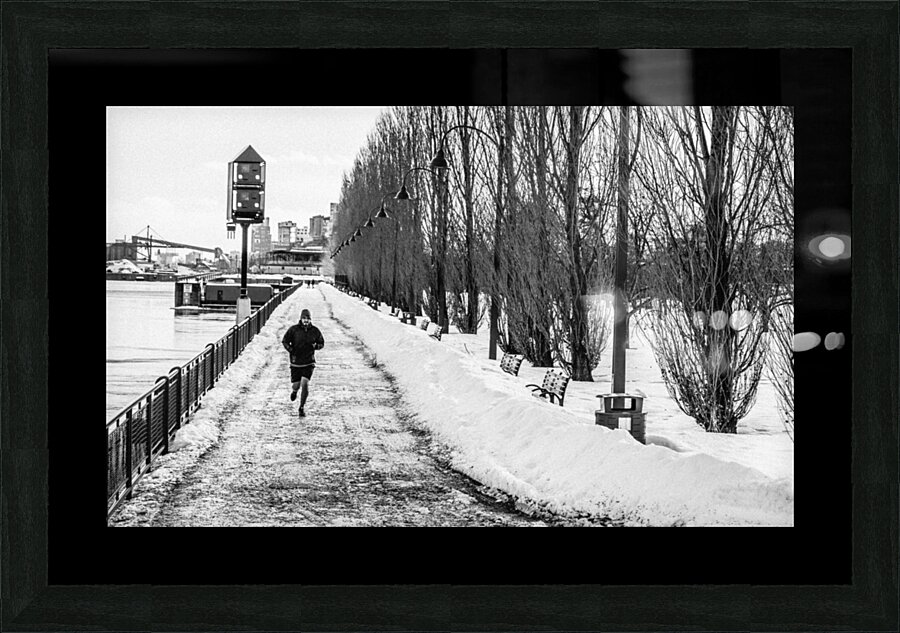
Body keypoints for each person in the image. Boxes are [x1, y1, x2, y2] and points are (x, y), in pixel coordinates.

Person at [281, 308, 325, 417]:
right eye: (304, 318)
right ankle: (295, 391)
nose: (306, 320)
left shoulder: (315, 331)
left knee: (305, 384)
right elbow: (285, 341)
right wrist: (291, 350)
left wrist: (316, 346)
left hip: (309, 362)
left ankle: (301, 407)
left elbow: (321, 342)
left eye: (308, 319)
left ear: (310, 320)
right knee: (296, 385)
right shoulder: (293, 330)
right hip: (296, 362)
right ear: (301, 319)